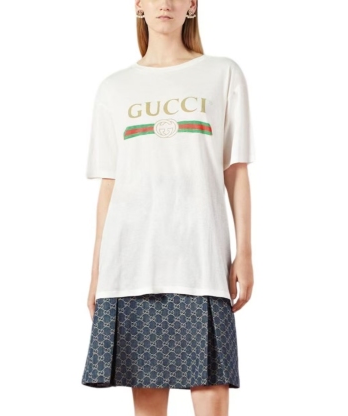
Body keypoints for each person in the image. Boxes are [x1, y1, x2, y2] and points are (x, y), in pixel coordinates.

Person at [81, 1, 255, 415]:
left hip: (201, 261)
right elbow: (110, 185)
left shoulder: (222, 73)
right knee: (148, 405)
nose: (165, 3)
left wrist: (244, 253)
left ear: (192, 5)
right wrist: (97, 272)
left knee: (212, 394)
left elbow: (235, 170)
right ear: (138, 5)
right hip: (132, 265)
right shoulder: (114, 87)